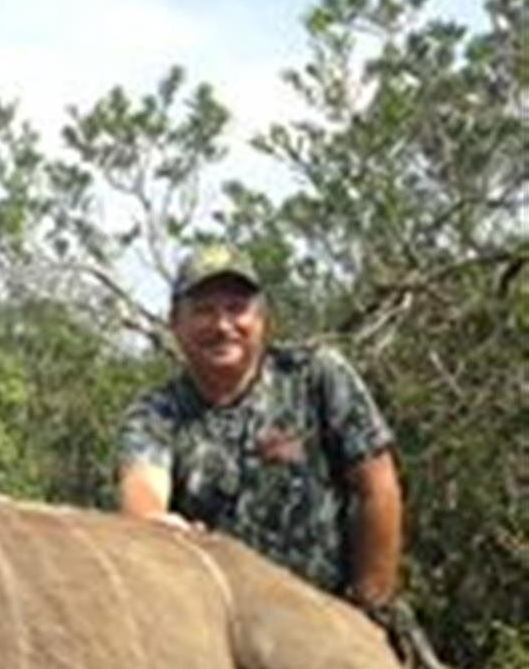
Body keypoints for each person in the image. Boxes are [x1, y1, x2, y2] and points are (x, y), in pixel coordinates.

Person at [116, 245, 403, 621]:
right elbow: (142, 492)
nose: (222, 325)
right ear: (175, 324)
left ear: (262, 318)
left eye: (236, 308)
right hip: (217, 633)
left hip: (327, 621)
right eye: (203, 310)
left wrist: (369, 606)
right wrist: (153, 525)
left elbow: (377, 488)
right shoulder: (156, 414)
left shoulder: (316, 375)